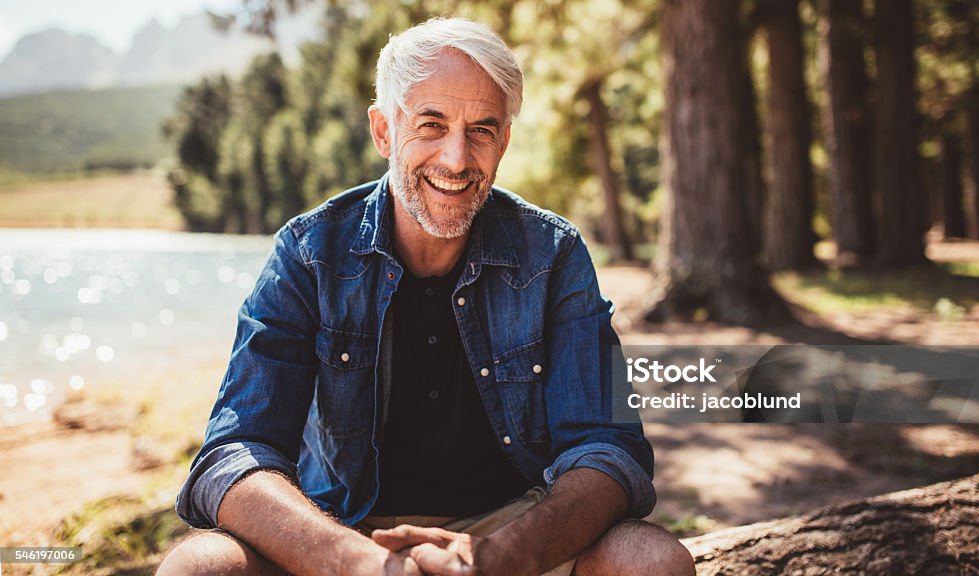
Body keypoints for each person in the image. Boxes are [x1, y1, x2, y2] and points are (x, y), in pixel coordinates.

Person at [157, 17, 695, 576]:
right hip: (342, 532)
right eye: (431, 124)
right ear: (384, 130)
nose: (457, 159)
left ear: (504, 141)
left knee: (649, 560)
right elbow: (234, 453)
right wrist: (361, 564)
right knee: (200, 567)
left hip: (515, 532)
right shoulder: (309, 253)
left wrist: (498, 558)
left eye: (482, 130)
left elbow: (608, 449)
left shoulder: (553, 254)